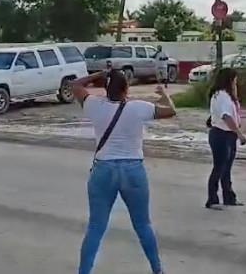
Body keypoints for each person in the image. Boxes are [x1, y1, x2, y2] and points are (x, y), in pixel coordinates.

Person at [74, 69, 176, 274]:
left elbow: (75, 85)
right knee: (143, 224)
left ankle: (83, 272)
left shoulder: (94, 105)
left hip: (103, 169)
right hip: (133, 170)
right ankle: (157, 270)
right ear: (126, 88)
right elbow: (171, 110)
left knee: (96, 227)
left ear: (106, 87)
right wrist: (165, 96)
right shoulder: (139, 108)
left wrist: (101, 73)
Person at [206, 68, 246, 210]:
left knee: (226, 168)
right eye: (235, 80)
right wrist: (239, 133)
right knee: (220, 167)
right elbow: (226, 116)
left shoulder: (228, 96)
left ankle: (228, 197)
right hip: (221, 134)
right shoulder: (221, 96)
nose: (236, 83)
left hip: (228, 135)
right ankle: (212, 199)